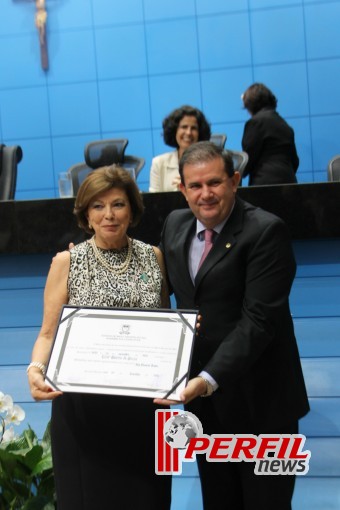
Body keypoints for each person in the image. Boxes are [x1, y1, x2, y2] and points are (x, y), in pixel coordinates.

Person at [155, 141, 310, 510]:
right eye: (195, 185)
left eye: (214, 183)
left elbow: (258, 321)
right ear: (182, 189)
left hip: (265, 405)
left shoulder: (266, 231)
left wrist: (205, 380)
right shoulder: (174, 225)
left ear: (235, 180)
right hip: (208, 410)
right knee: (219, 501)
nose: (205, 194)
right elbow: (157, 295)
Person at [27, 166, 171, 510]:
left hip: (144, 411)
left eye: (118, 204)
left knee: (148, 501)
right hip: (83, 414)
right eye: (97, 206)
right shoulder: (66, 262)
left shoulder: (154, 257)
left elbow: (165, 327)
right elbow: (47, 333)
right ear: (85, 214)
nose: (109, 215)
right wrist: (35, 368)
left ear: (132, 210)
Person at [241, 83, 299, 185]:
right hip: (289, 182)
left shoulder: (255, 122)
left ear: (250, 104)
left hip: (265, 183)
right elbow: (295, 161)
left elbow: (248, 157)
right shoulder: (284, 124)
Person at [149, 105, 211, 192]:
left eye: (193, 128)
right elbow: (153, 201)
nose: (189, 132)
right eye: (184, 127)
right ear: (174, 131)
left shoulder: (210, 163)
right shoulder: (159, 163)